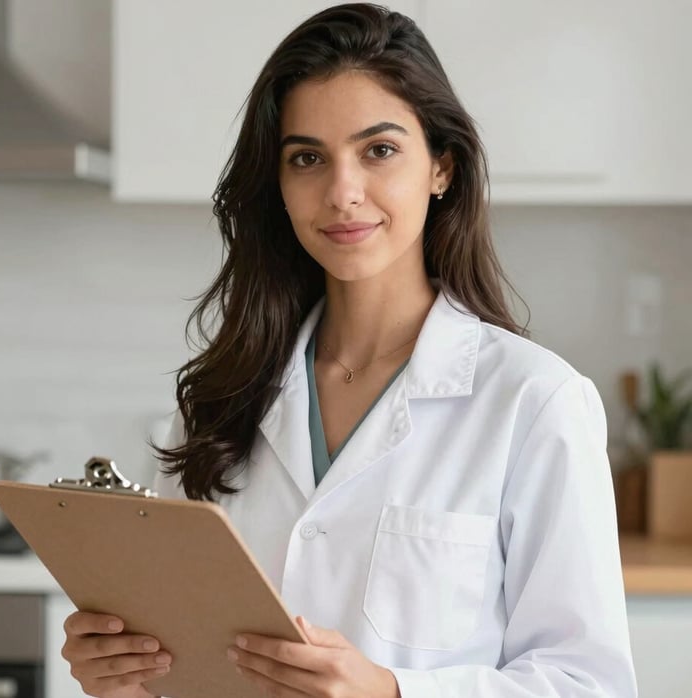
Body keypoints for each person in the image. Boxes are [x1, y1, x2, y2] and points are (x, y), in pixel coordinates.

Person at [61, 4, 637, 697]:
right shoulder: (219, 398)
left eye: (379, 150)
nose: (342, 193)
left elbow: (589, 683)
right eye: (307, 158)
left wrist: (394, 692)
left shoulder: (535, 401)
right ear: (277, 184)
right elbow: (182, 667)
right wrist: (123, 676)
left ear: (442, 168)